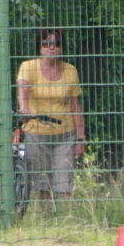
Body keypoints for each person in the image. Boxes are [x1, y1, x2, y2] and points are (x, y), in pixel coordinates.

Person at [17, 29, 86, 203]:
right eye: (46, 43)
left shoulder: (70, 70)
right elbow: (22, 89)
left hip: (65, 133)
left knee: (64, 183)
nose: (51, 47)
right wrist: (24, 108)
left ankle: (67, 215)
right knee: (43, 184)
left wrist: (80, 138)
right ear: (39, 47)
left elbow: (76, 106)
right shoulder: (28, 67)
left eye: (56, 43)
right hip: (36, 132)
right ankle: (47, 215)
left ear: (62, 47)